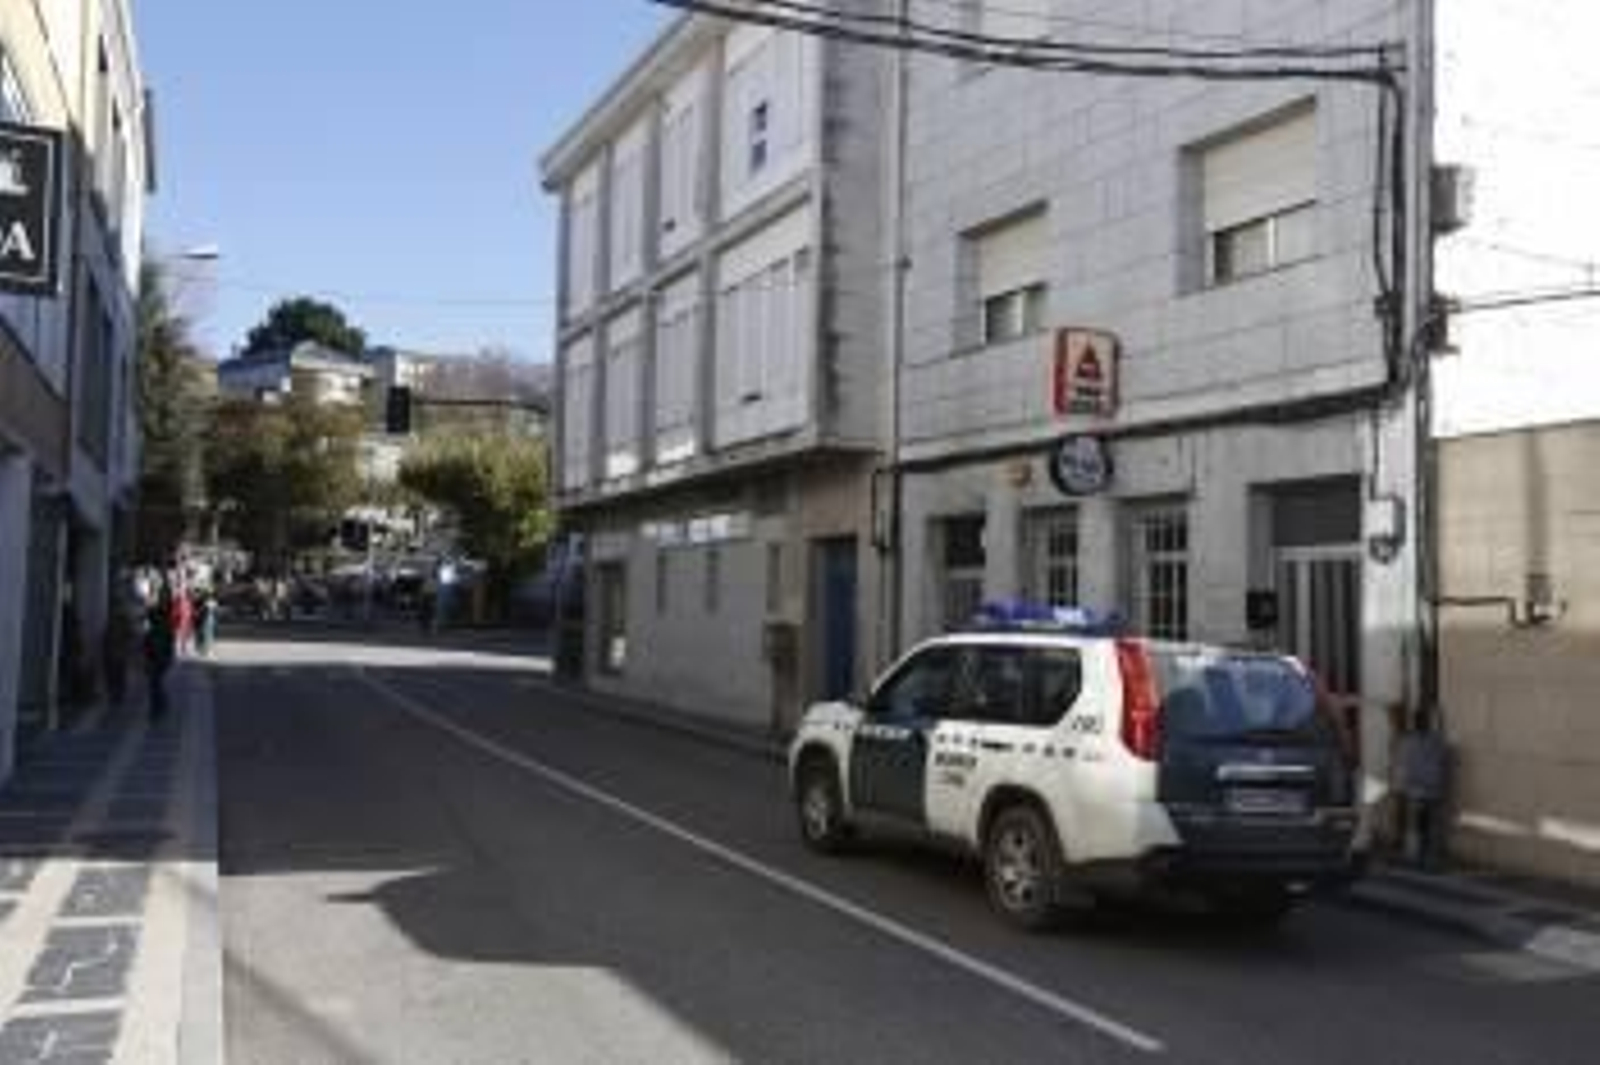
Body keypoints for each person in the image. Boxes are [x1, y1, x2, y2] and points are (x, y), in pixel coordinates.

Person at [143, 591, 177, 722]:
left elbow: (147, 645)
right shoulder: (163, 629)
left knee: (155, 684)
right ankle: (158, 706)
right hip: (160, 659)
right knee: (155, 683)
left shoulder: (155, 630)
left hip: (157, 659)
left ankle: (158, 706)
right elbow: (170, 644)